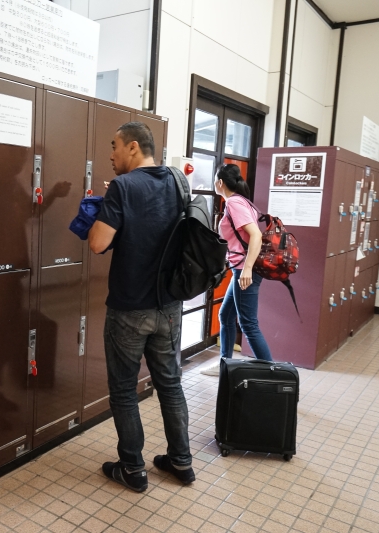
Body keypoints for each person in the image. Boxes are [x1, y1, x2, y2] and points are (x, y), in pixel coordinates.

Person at [88, 122, 195, 492]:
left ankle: (133, 468)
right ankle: (181, 460)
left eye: (115, 146)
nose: (111, 154)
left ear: (133, 147)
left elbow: (98, 244)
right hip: (169, 306)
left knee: (122, 389)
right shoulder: (179, 181)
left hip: (130, 308)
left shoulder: (122, 187)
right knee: (170, 383)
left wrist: (107, 207)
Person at [201, 163, 272, 377]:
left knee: (248, 324)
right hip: (240, 268)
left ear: (220, 182)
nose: (214, 182)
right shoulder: (241, 201)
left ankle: (273, 375)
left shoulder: (234, 203)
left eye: (215, 179)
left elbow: (256, 236)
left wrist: (248, 268)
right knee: (226, 314)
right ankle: (225, 365)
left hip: (245, 269)